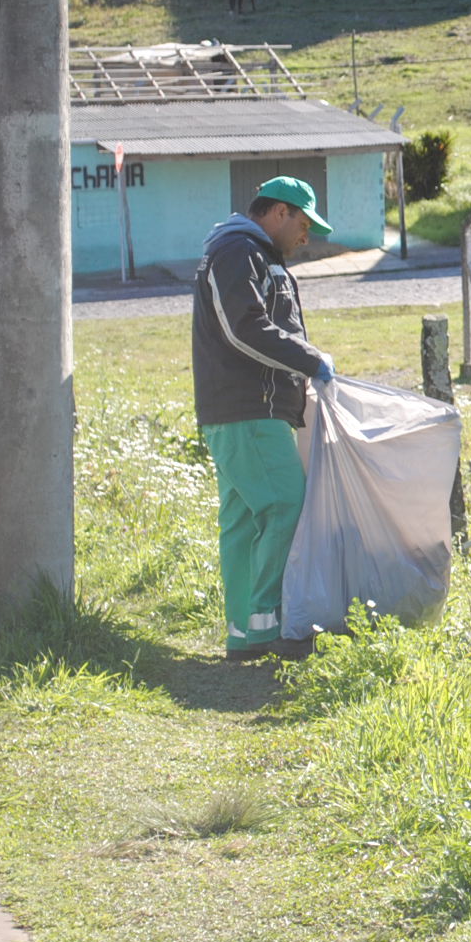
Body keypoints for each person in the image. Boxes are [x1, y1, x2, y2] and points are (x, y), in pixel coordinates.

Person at [192, 176, 336, 661]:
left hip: (242, 410)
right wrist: (309, 360)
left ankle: (245, 632)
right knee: (283, 506)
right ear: (278, 212)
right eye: (302, 223)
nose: (306, 236)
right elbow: (245, 326)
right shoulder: (239, 252)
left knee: (244, 521)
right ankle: (271, 627)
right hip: (249, 408)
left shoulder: (252, 254)